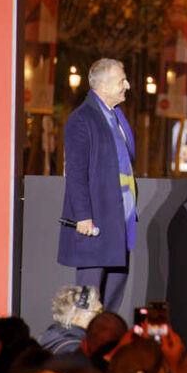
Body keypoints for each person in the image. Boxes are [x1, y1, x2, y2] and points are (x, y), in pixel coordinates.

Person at [58, 58, 135, 313]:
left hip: (119, 221)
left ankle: (106, 346)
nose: (128, 85)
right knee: (89, 302)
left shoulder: (117, 117)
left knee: (112, 300)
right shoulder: (82, 119)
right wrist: (83, 216)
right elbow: (76, 173)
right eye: (121, 80)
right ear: (102, 86)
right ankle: (83, 346)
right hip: (96, 224)